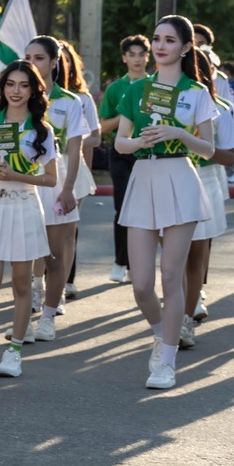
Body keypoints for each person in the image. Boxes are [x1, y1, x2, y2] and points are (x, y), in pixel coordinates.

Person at [106, 15, 219, 390]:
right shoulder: (136, 89)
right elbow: (120, 143)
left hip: (180, 178)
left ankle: (167, 361)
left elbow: (208, 149)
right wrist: (139, 141)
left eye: (169, 40)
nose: (160, 46)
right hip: (143, 177)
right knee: (141, 284)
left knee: (171, 276)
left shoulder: (196, 92)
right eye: (157, 39)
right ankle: (162, 333)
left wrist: (177, 133)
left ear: (186, 48)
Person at [0, 60, 58, 378]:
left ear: (33, 90)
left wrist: (18, 175)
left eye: (23, 85)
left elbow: (51, 179)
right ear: (2, 87)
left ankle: (14, 353)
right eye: (10, 84)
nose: (16, 91)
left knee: (21, 282)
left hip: (26, 203)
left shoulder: (42, 130)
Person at [22, 35, 90, 343]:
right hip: (24, 177)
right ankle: (30, 304)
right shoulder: (18, 97)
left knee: (55, 253)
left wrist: (68, 188)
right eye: (27, 57)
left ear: (53, 62)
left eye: (38, 58)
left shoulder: (70, 101)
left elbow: (75, 149)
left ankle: (49, 315)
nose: (31, 63)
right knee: (26, 252)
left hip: (58, 178)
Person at [181, 31, 234, 348]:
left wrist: (195, 145)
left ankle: (186, 319)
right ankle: (174, 313)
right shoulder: (163, 100)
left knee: (195, 258)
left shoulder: (221, 107)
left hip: (205, 182)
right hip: (170, 180)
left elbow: (230, 155)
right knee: (173, 260)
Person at [97, 35, 153, 284]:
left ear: (148, 57)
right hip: (121, 153)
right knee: (123, 208)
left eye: (142, 54)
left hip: (148, 153)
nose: (137, 59)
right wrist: (126, 114)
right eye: (132, 54)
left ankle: (137, 265)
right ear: (124, 58)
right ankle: (120, 262)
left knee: (147, 211)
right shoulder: (115, 89)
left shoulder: (156, 86)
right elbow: (103, 126)